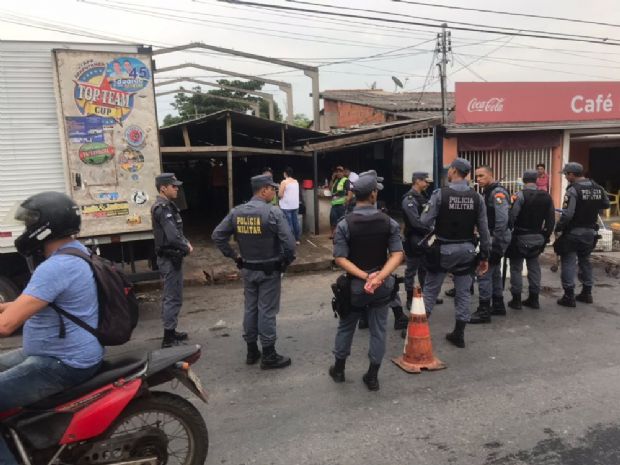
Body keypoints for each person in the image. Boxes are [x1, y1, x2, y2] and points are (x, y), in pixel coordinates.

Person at [0, 192, 103, 465]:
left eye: (29, 224)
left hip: (62, 362)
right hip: (55, 353)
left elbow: (7, 326)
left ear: (45, 226)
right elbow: (27, 303)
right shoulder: (75, 252)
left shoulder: (57, 266)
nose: (26, 230)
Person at [329, 170, 404, 391]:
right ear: (373, 195)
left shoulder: (344, 224)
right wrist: (379, 277)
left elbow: (340, 258)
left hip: (355, 288)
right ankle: (372, 376)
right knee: (378, 330)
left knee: (346, 327)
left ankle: (339, 370)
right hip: (381, 287)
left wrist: (364, 277)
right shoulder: (389, 222)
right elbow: (398, 255)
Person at [212, 174, 296, 369]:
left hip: (248, 268)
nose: (275, 193)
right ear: (264, 190)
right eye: (273, 189)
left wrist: (234, 256)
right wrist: (285, 261)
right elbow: (290, 244)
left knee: (250, 308)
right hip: (269, 270)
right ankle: (268, 354)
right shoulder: (273, 213)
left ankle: (251, 351)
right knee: (266, 310)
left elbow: (217, 235)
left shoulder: (237, 212)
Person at [420, 158, 490, 348]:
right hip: (467, 250)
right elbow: (484, 231)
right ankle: (459, 333)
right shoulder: (477, 198)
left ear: (453, 171)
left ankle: (417, 329)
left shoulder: (440, 194)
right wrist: (484, 256)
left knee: (431, 289)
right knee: (464, 292)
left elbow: (424, 221)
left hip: (443, 250)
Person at [554, 162, 609, 307]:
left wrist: (558, 227)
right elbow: (606, 204)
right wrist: (591, 208)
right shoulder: (597, 187)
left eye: (566, 174)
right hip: (590, 232)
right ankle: (587, 292)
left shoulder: (573, 190)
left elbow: (567, 214)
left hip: (574, 232)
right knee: (585, 261)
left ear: (572, 174)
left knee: (569, 262)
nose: (565, 177)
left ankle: (569, 296)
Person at [151, 173, 193, 348]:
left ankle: (172, 330)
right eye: (173, 185)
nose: (176, 188)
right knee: (172, 297)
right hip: (169, 258)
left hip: (172, 258)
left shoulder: (168, 206)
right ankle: (168, 337)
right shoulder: (163, 208)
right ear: (163, 188)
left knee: (175, 295)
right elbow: (173, 236)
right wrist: (186, 246)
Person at [506, 170, 555, 310]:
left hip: (519, 237)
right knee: (534, 267)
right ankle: (534, 299)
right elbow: (551, 220)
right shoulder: (547, 197)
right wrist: (545, 237)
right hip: (537, 237)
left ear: (523, 180)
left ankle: (516, 300)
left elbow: (512, 218)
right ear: (537, 180)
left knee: (516, 268)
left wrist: (508, 233)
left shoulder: (519, 196)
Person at [469, 165, 512, 324]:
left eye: (481, 176)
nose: (478, 179)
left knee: (484, 272)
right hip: (494, 236)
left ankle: (484, 310)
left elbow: (501, 221)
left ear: (491, 175)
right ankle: (498, 304)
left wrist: (495, 243)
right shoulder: (489, 192)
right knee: (494, 271)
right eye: (476, 176)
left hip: (496, 237)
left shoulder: (497, 193)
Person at [402, 171, 434, 311]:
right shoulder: (409, 199)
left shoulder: (422, 197)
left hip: (424, 238)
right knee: (411, 270)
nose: (427, 184)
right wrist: (431, 229)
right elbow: (415, 222)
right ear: (417, 181)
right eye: (425, 181)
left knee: (425, 267)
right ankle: (410, 298)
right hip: (413, 239)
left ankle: (426, 296)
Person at [279, 166, 301, 244]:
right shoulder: (296, 181)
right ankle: (297, 239)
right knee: (296, 222)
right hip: (295, 205)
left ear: (285, 173)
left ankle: (291, 240)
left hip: (286, 206)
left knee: (289, 223)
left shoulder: (284, 182)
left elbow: (280, 195)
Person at [329, 166, 351, 238]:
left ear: (343, 172)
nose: (338, 173)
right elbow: (330, 188)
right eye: (337, 171)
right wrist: (332, 179)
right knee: (332, 219)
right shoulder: (335, 181)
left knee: (342, 221)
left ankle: (342, 235)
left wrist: (346, 201)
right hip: (334, 204)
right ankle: (333, 234)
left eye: (340, 171)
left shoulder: (345, 180)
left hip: (342, 205)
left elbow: (349, 192)